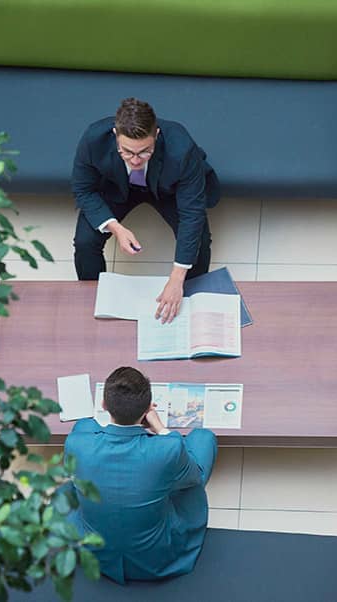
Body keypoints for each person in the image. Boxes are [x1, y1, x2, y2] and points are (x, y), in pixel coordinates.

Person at [72, 97, 220, 323]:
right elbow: (83, 190)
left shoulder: (181, 147)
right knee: (84, 241)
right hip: (117, 186)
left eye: (144, 152)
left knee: (198, 238)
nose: (135, 160)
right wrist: (116, 228)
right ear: (115, 135)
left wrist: (176, 278)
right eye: (127, 152)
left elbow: (192, 214)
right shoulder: (93, 139)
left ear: (157, 135)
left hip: (167, 188)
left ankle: (190, 299)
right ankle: (95, 295)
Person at [64, 367, 217, 584]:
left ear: (104, 405)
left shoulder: (77, 443)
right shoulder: (168, 449)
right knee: (203, 438)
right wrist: (160, 428)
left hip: (94, 551)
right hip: (154, 556)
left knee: (78, 448)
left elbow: (83, 430)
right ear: (148, 409)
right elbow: (195, 477)